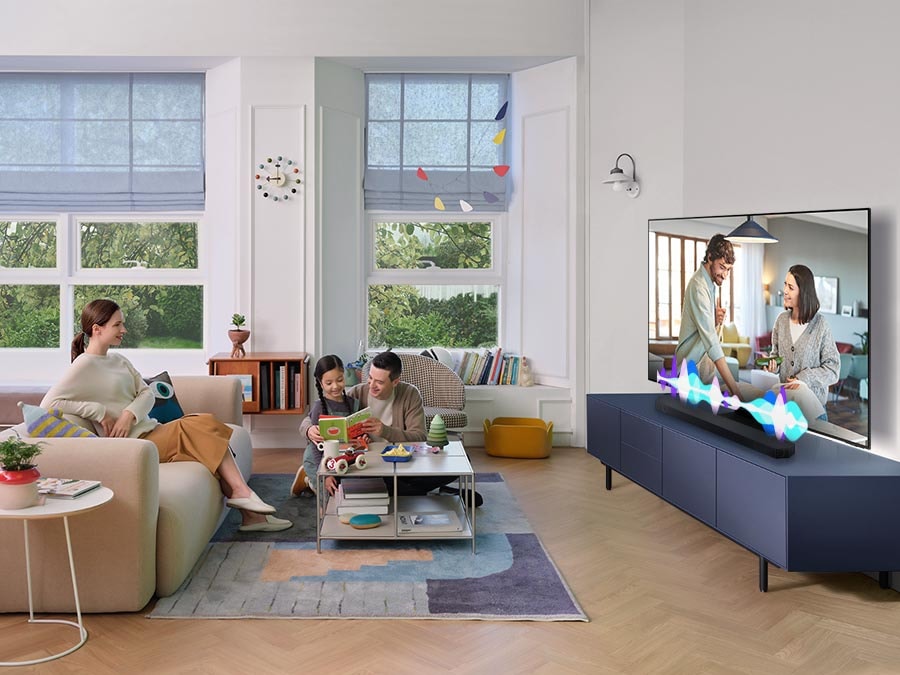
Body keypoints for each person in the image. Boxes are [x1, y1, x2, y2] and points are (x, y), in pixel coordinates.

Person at [42, 299, 291, 533]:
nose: (124, 329)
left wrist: (129, 413)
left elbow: (147, 394)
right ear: (97, 329)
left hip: (151, 430)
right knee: (200, 425)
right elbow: (50, 403)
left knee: (203, 429)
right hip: (136, 445)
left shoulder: (118, 360)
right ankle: (242, 495)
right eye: (117, 324)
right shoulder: (84, 365)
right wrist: (98, 412)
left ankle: (251, 516)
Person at [298, 350, 482, 506]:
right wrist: (308, 429)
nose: (372, 385)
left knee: (455, 467)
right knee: (386, 487)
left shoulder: (409, 394)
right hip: (371, 465)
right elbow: (312, 416)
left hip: (402, 461)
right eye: (370, 378)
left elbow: (419, 436)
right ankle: (439, 494)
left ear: (395, 382)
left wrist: (385, 431)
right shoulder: (356, 394)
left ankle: (422, 491)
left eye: (379, 382)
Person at [675, 234, 755, 401]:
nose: (725, 275)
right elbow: (711, 342)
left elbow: (703, 326)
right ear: (710, 257)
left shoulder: (711, 282)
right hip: (691, 370)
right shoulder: (699, 287)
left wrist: (714, 320)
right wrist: (736, 392)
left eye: (728, 269)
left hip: (703, 366)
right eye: (722, 267)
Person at [764, 264, 840, 421]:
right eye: (785, 284)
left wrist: (803, 378)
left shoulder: (821, 325)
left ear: (803, 292)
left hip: (813, 411)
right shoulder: (781, 321)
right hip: (784, 408)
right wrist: (773, 366)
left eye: (791, 287)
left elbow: (833, 369)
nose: (785, 291)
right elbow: (776, 355)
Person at [291, 354, 361, 498]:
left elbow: (356, 436)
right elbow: (316, 447)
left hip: (341, 457)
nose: (335, 386)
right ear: (320, 383)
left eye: (340, 380)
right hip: (318, 459)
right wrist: (324, 474)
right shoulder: (319, 407)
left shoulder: (354, 403)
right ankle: (309, 480)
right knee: (327, 499)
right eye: (329, 383)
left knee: (346, 492)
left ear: (344, 376)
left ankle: (307, 480)